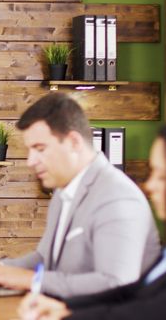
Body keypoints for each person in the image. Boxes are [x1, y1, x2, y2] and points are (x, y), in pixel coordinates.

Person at [0, 93, 160, 298]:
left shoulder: (118, 197)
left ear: (73, 142)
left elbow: (115, 283)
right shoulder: (63, 192)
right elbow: (45, 258)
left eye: (40, 149)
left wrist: (32, 280)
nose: (30, 161)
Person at [18, 126, 166, 320]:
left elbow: (148, 311)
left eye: (162, 176)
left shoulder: (119, 197)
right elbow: (132, 294)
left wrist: (67, 314)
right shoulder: (61, 197)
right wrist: (65, 308)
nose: (149, 185)